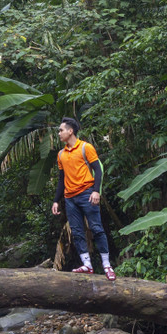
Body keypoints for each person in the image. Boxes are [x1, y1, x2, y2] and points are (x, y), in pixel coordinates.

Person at [50, 117, 115, 281]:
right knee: (77, 232)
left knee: (97, 229)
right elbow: (61, 179)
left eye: (61, 130)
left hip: (87, 194)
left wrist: (96, 191)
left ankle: (107, 265)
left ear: (70, 131)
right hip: (70, 199)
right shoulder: (61, 154)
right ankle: (87, 265)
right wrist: (56, 201)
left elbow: (98, 170)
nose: (59, 133)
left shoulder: (86, 148)